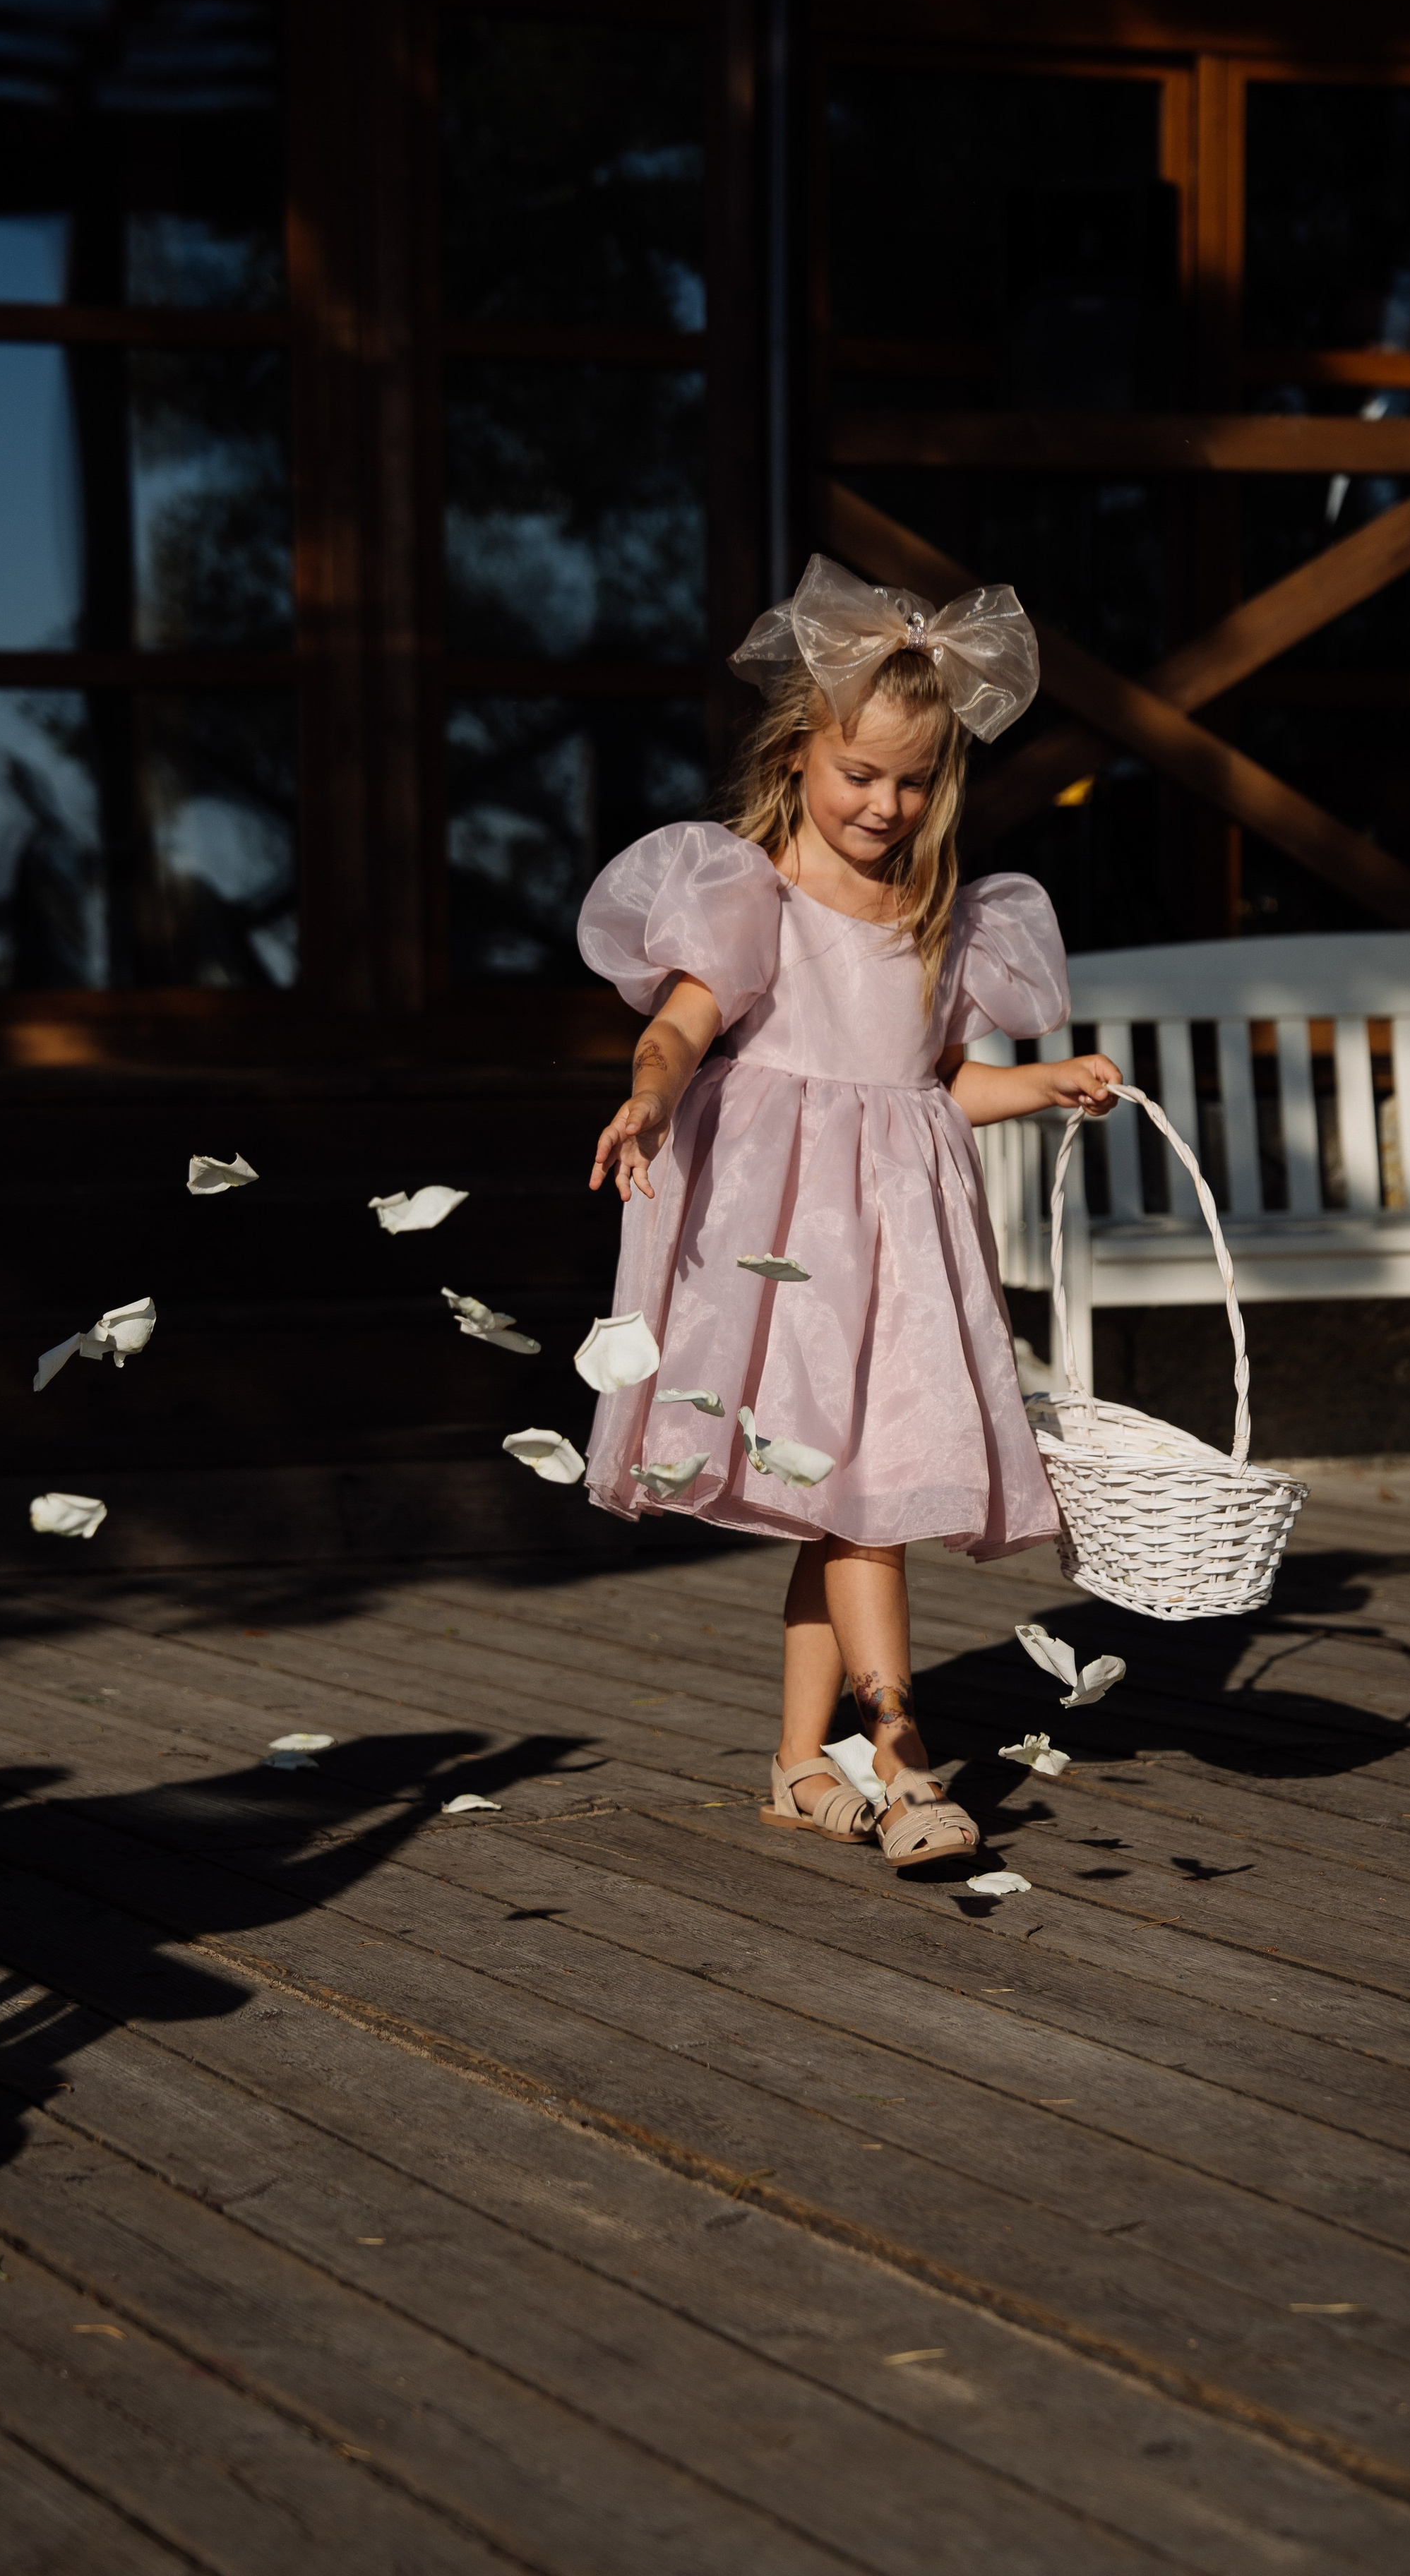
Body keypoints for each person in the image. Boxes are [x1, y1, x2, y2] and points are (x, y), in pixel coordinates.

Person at [578, 555, 1119, 1869]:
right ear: (796, 756)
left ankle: (793, 1770)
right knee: (857, 1506)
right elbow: (683, 1028)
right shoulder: (750, 891)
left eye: (913, 780)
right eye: (857, 774)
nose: (883, 804)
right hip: (788, 1260)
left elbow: (927, 1081)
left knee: (842, 1507)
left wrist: (1041, 1082)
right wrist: (650, 1098)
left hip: (905, 1253)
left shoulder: (940, 916)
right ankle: (897, 1750)